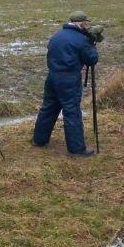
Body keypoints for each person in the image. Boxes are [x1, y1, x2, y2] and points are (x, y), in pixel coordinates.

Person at [31, 11, 100, 157]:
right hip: (69, 80)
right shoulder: (81, 39)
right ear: (81, 24)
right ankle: (77, 150)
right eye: (86, 23)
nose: (87, 26)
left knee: (48, 108)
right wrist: (92, 44)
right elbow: (91, 60)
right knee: (72, 112)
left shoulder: (57, 36)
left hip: (52, 77)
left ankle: (39, 140)